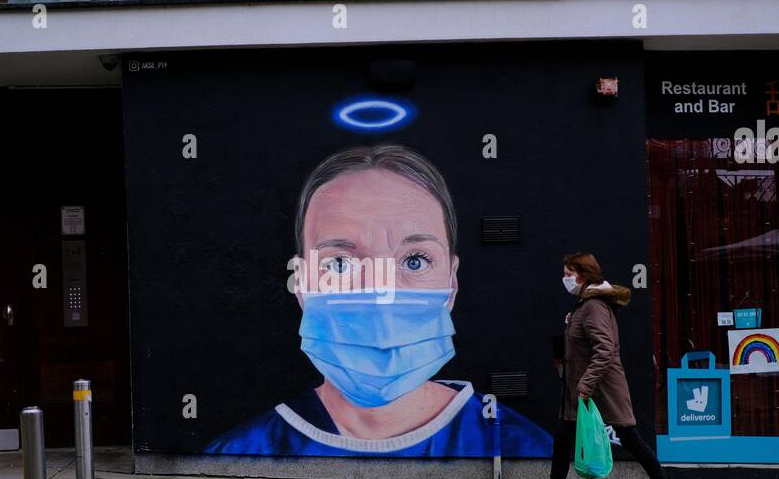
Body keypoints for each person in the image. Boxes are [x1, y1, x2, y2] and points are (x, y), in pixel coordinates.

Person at [207, 143, 552, 457]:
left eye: (414, 260)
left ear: (451, 282)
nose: (380, 297)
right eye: (339, 263)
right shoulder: (241, 452)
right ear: (301, 284)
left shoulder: (521, 448)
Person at [519, 252, 681, 479]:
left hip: (601, 389)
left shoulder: (593, 306)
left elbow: (604, 349)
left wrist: (585, 383)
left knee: (630, 439)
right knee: (562, 439)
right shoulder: (585, 306)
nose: (565, 278)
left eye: (568, 273)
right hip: (581, 390)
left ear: (583, 275)